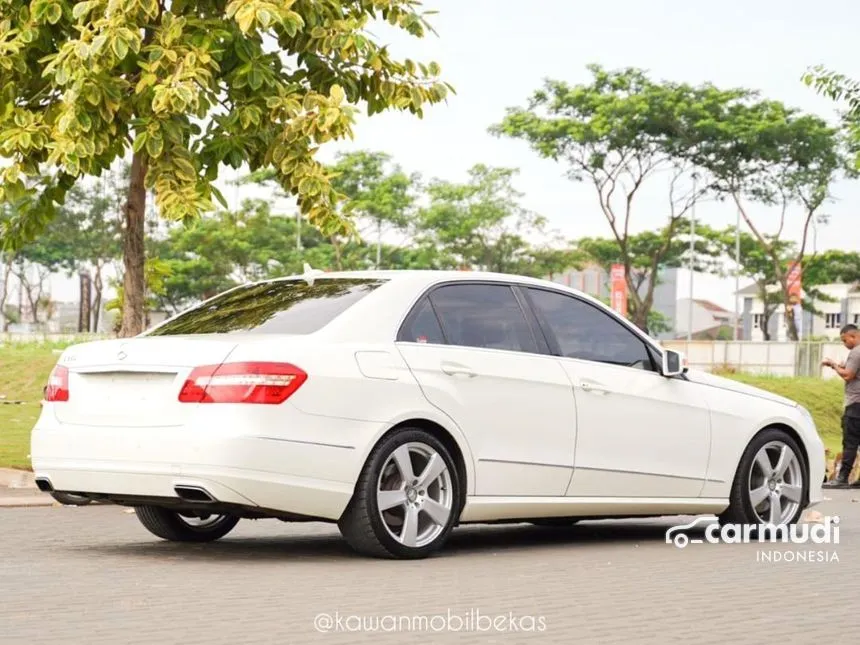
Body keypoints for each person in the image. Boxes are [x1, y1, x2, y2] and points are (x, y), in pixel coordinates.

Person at [822, 324, 860, 488]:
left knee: (850, 442)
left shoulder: (856, 352)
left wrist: (835, 367)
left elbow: (848, 375)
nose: (845, 344)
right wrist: (836, 365)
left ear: (853, 336)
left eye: (845, 340)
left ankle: (842, 478)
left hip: (855, 403)